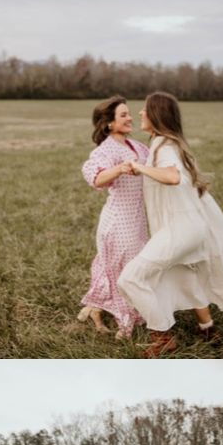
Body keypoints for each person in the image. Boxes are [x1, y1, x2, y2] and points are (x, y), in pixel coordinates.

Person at [118, 91, 223, 357]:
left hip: (180, 229)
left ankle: (162, 336)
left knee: (130, 278)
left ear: (156, 114)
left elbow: (171, 177)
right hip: (184, 228)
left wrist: (139, 167)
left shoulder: (166, 147)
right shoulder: (162, 143)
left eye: (145, 109)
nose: (141, 113)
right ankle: (208, 327)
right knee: (181, 273)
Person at [79, 96, 149, 339]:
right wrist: (119, 168)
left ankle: (96, 309)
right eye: (123, 115)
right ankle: (125, 322)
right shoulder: (105, 150)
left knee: (134, 266)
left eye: (129, 114)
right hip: (119, 221)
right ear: (108, 123)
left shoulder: (137, 146)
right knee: (123, 270)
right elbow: (95, 177)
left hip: (138, 220)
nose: (130, 118)